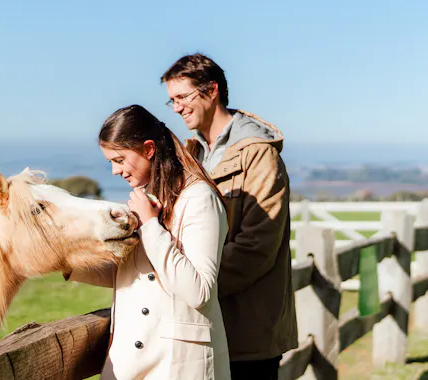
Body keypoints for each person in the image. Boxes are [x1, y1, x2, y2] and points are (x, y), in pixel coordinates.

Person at [64, 104, 231, 379]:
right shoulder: (146, 198)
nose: (115, 171)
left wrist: (151, 225)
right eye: (111, 163)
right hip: (132, 362)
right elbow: (133, 273)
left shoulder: (200, 199)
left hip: (180, 365)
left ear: (149, 149)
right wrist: (68, 263)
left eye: (119, 159)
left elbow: (198, 291)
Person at [160, 53, 298, 379]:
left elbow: (257, 245)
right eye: (171, 101)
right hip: (204, 328)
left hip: (247, 330)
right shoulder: (190, 156)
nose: (177, 107)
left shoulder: (258, 153)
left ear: (212, 90)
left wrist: (194, 289)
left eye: (182, 97)